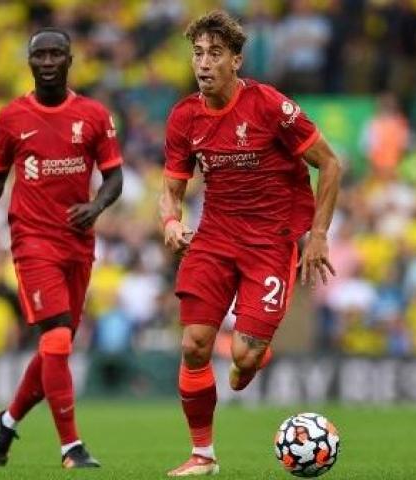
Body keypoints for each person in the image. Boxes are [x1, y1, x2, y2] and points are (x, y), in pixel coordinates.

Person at [160, 10, 341, 477]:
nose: (204, 63)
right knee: (195, 345)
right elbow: (173, 183)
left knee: (242, 361)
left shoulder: (269, 106)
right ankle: (203, 455)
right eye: (198, 53)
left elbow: (331, 164)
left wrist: (317, 235)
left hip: (270, 243)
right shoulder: (184, 116)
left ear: (236, 61)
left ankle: (252, 357)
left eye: (215, 54)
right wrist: (170, 220)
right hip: (214, 238)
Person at [0, 28, 123, 468]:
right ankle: (71, 447)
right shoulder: (11, 117)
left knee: (56, 348)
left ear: (71, 59)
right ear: (30, 62)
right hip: (33, 239)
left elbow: (114, 177)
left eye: (57, 53)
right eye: (41, 54)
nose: (49, 61)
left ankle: (7, 424)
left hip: (78, 241)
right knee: (55, 337)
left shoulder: (93, 115)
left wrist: (96, 206)